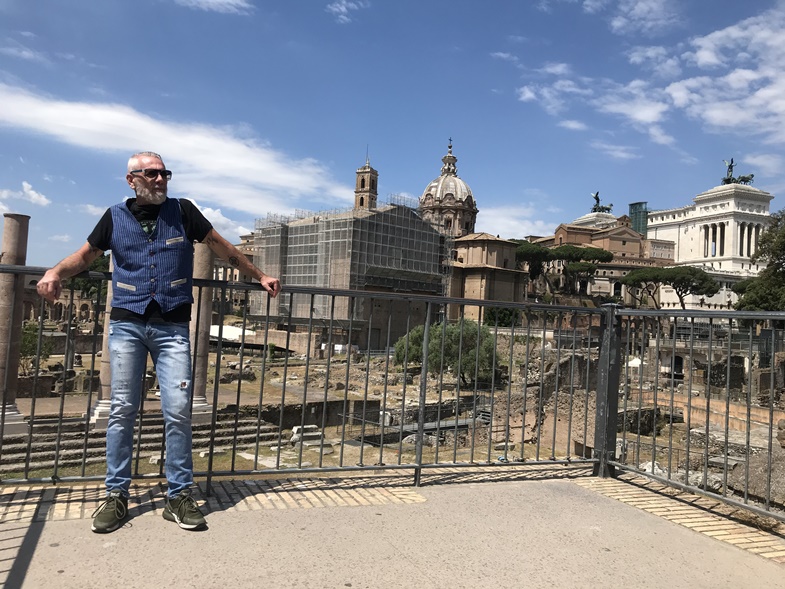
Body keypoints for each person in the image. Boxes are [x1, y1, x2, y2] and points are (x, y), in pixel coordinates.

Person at [36, 151, 281, 533]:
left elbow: (223, 247)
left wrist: (259, 276)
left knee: (179, 410)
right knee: (121, 410)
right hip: (127, 326)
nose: (161, 179)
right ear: (131, 179)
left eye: (164, 173)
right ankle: (116, 494)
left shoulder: (184, 212)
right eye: (152, 174)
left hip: (172, 328)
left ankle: (179, 495)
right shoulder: (113, 216)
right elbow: (85, 257)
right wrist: (54, 271)